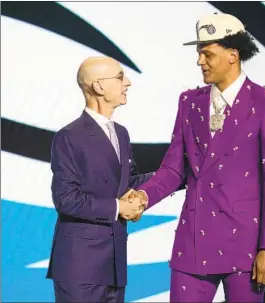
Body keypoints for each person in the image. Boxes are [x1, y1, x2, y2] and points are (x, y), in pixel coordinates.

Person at [130, 13, 265, 302]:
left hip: (246, 245)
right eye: (199, 54)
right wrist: (143, 197)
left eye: (207, 54)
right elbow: (173, 168)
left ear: (233, 55)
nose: (199, 61)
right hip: (193, 240)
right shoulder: (189, 102)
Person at [46, 56, 152, 302]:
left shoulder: (121, 134)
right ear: (99, 87)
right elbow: (66, 199)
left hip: (114, 264)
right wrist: (119, 207)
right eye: (119, 77)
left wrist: (178, 175)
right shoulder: (69, 136)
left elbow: (126, 184)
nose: (127, 83)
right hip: (80, 267)